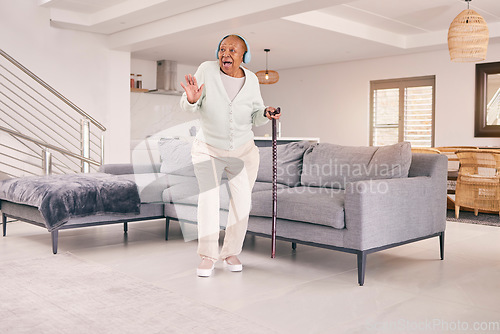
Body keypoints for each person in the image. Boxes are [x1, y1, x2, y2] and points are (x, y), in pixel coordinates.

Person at [180, 34, 281, 277]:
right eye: (222, 49)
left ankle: (231, 252)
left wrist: (265, 113)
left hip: (243, 151)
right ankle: (207, 255)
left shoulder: (253, 80)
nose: (226, 54)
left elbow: (255, 114)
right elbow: (189, 102)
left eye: (233, 50)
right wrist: (191, 100)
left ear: (244, 56)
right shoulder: (207, 69)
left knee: (242, 203)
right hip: (208, 148)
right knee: (209, 200)